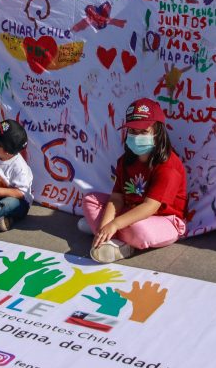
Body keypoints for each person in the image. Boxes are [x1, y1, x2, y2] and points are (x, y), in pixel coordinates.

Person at [79, 98, 188, 263]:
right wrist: (107, 225)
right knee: (90, 200)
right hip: (130, 211)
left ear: (159, 133)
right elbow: (116, 197)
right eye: (132, 132)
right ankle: (107, 234)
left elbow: (150, 207)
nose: (137, 137)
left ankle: (110, 236)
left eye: (144, 132)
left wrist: (114, 224)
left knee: (139, 229)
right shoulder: (125, 160)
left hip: (165, 220)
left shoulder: (168, 166)